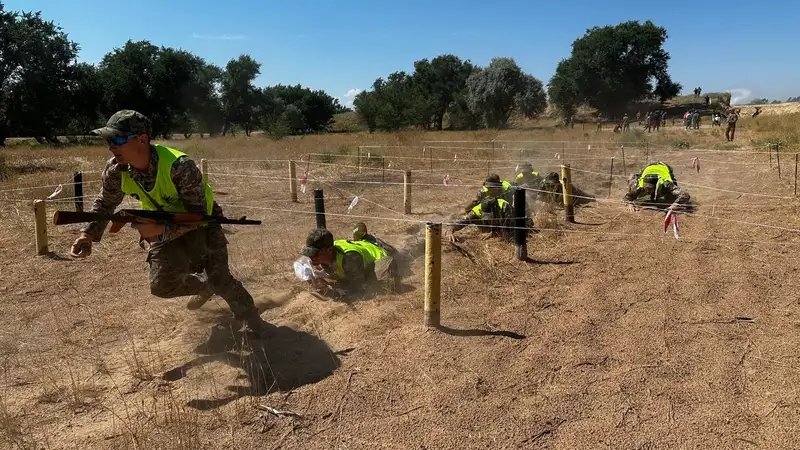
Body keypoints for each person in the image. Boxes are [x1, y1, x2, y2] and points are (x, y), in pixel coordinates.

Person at [69, 110, 274, 337]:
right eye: (108, 141)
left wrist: (162, 231)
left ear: (142, 140)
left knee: (220, 279)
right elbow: (105, 204)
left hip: (204, 223)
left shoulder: (179, 166)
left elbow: (198, 214)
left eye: (117, 140)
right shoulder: (116, 171)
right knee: (161, 286)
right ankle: (206, 288)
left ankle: (254, 323)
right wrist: (87, 234)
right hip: (162, 224)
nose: (111, 147)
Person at [301, 228, 400, 298]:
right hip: (364, 246)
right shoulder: (325, 257)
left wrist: (329, 286)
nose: (311, 257)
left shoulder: (349, 258)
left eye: (315, 253)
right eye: (310, 253)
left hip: (382, 253)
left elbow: (359, 287)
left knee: (384, 288)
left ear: (329, 250)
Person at [623, 162, 690, 212]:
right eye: (646, 188)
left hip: (664, 166)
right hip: (648, 168)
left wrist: (675, 205)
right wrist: (629, 204)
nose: (648, 191)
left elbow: (685, 195)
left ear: (656, 186)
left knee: (670, 198)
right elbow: (627, 197)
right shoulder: (640, 185)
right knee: (633, 182)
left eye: (650, 189)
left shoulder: (666, 183)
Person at [446, 197, 514, 243]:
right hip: (487, 226)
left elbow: (511, 227)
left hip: (502, 223)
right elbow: (462, 222)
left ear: (495, 208)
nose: (488, 217)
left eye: (489, 215)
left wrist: (495, 233)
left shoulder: (504, 207)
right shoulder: (476, 211)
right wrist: (450, 231)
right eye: (485, 215)